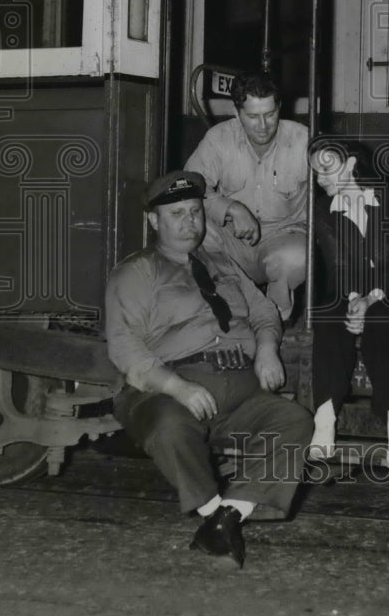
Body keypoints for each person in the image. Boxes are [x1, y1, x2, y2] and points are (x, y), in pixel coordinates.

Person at [105, 170, 313, 568]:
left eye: (196, 212)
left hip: (238, 388)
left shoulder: (222, 261)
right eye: (177, 213)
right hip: (166, 388)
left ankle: (226, 519)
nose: (189, 222)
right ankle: (210, 511)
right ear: (154, 221)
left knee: (294, 421)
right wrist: (177, 387)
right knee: (169, 426)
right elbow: (125, 346)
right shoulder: (137, 272)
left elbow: (264, 309)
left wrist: (267, 347)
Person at [307, 137, 389, 468]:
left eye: (326, 169)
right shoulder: (324, 210)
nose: (320, 178)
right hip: (354, 293)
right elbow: (338, 270)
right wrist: (355, 301)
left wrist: (370, 300)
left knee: (381, 322)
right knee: (328, 316)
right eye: (315, 172)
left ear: (351, 165)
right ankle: (323, 426)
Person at [185, 72, 307, 322]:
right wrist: (230, 207)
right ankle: (230, 312)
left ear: (280, 107)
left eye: (270, 114)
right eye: (252, 116)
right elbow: (189, 188)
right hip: (233, 242)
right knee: (191, 229)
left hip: (284, 238)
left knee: (298, 256)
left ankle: (273, 319)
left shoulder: (302, 139)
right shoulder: (218, 139)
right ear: (236, 111)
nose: (263, 126)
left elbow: (339, 183)